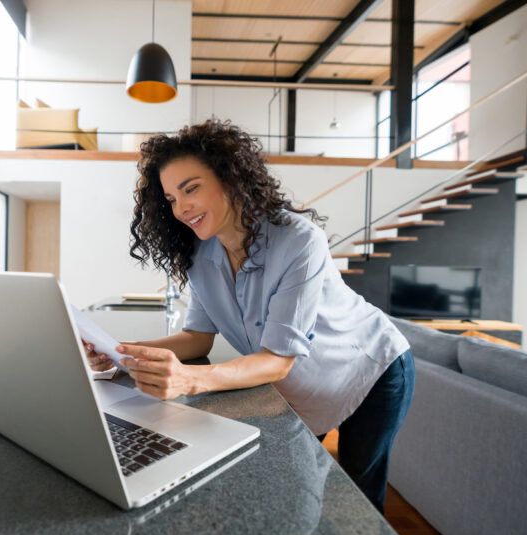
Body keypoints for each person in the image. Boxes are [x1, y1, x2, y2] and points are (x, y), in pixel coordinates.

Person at [83, 120, 413, 513]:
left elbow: (277, 359)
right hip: (301, 385)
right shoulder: (200, 255)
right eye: (171, 198)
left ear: (230, 179)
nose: (181, 207)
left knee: (359, 501)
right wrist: (122, 351)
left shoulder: (299, 240)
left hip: (372, 367)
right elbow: (197, 338)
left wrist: (191, 379)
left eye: (191, 188)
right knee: (296, 492)